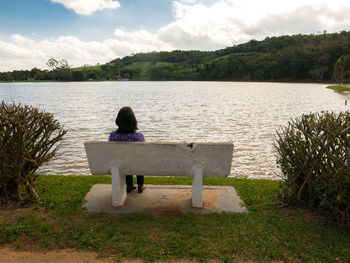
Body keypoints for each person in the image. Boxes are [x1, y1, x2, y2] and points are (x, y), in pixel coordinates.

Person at [108, 106, 145, 193]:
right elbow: (143, 153)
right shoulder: (139, 136)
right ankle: (140, 185)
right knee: (138, 162)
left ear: (118, 120)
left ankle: (129, 185)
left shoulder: (113, 136)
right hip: (137, 164)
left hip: (121, 164)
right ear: (133, 121)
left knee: (124, 161)